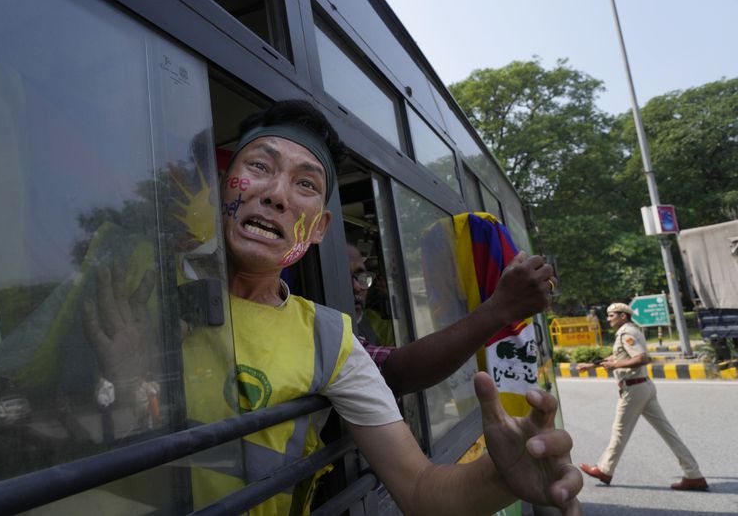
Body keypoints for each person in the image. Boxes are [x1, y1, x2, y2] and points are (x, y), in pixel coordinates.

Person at [84, 100, 582, 515]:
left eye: (305, 184)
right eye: (259, 166)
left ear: (319, 228)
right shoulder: (133, 286)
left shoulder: (330, 340)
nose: (276, 195)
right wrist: (125, 392)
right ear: (221, 189)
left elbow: (421, 490)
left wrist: (499, 479)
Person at [347, 242, 555, 396]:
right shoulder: (328, 334)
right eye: (345, 276)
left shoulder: (370, 322)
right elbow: (393, 373)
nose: (357, 287)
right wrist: (501, 308)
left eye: (360, 276)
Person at [577, 302, 708, 490]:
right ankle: (693, 474)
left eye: (612, 315)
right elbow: (619, 358)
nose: (608, 319)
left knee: (619, 431)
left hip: (634, 390)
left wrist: (616, 366)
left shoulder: (626, 333)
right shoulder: (629, 331)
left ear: (623, 316)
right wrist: (592, 365)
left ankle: (605, 470)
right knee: (668, 433)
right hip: (643, 386)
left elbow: (641, 358)